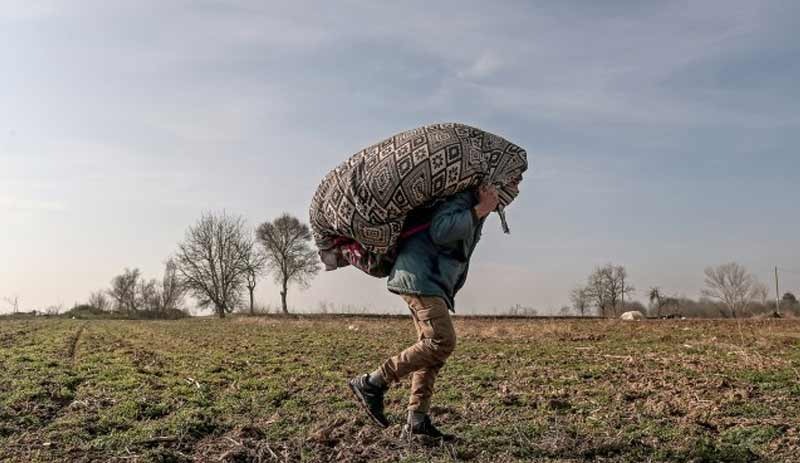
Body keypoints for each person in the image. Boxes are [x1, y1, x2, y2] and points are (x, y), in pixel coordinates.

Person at [349, 183, 502, 440]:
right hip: (420, 277)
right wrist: (479, 209)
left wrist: (481, 211)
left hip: (430, 279)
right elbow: (440, 230)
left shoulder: (471, 201)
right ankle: (372, 383)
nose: (513, 190)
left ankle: (416, 422)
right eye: (510, 184)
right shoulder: (461, 196)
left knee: (431, 352)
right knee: (441, 340)